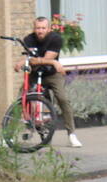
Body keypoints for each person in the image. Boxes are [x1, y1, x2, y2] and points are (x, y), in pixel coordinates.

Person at [16, 16, 81, 148]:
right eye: (37, 28)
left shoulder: (55, 39)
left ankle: (71, 134)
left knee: (62, 99)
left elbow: (45, 58)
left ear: (49, 28)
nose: (40, 31)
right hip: (35, 73)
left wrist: (48, 61)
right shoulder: (28, 39)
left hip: (52, 74)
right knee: (22, 97)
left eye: (43, 28)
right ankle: (9, 134)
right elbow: (32, 60)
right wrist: (53, 62)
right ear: (34, 28)